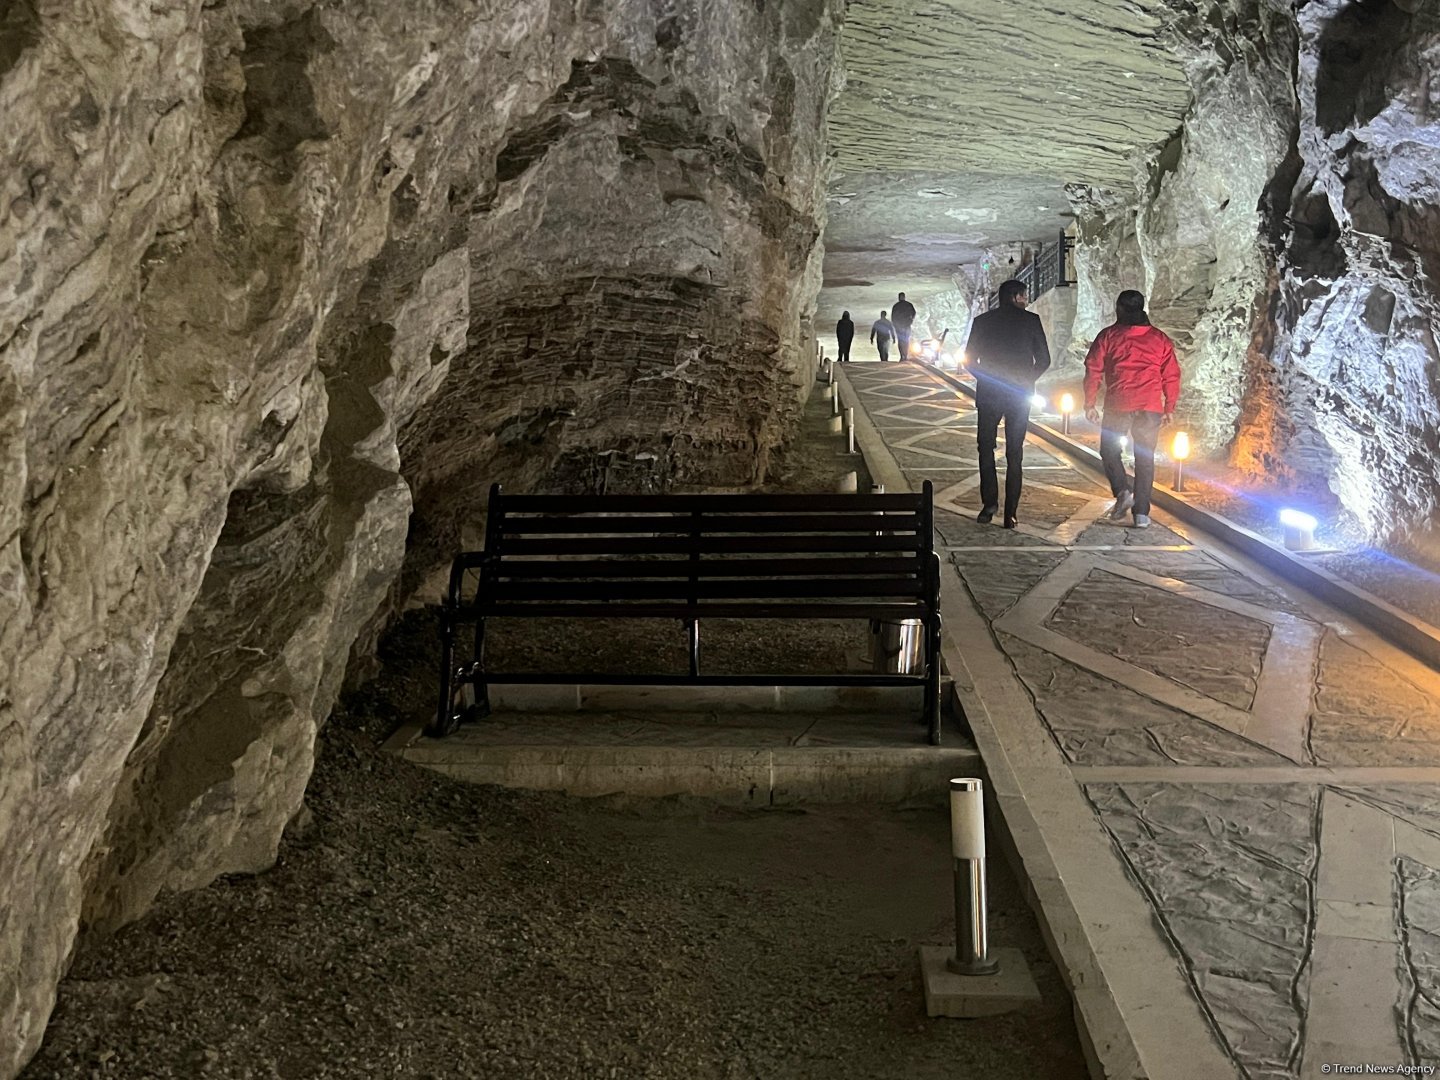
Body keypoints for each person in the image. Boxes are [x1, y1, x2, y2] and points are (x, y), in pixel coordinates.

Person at [1083, 289, 1181, 530]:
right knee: (1145, 458)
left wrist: (1089, 402)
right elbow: (1171, 375)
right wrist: (1169, 407)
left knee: (1109, 451)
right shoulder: (1159, 338)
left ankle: (1122, 491)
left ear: (1119, 309)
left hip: (1119, 403)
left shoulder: (1108, 336)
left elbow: (1093, 369)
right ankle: (1142, 515)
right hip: (1150, 406)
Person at [962, 279, 1051, 528]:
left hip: (989, 394)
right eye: (1024, 296)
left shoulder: (983, 321)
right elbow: (1044, 359)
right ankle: (1011, 513)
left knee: (985, 449)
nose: (1026, 300)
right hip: (1019, 395)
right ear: (1015, 297)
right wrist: (1026, 379)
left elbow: (969, 360)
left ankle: (989, 505)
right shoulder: (1031, 321)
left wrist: (986, 378)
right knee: (1015, 452)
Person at [891, 292, 917, 361]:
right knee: (906, 340)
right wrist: (911, 320)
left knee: (900, 341)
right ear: (904, 297)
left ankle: (902, 355)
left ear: (899, 297)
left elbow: (893, 317)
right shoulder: (909, 305)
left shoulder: (896, 306)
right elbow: (914, 313)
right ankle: (905, 355)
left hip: (899, 326)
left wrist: (895, 325)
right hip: (907, 325)